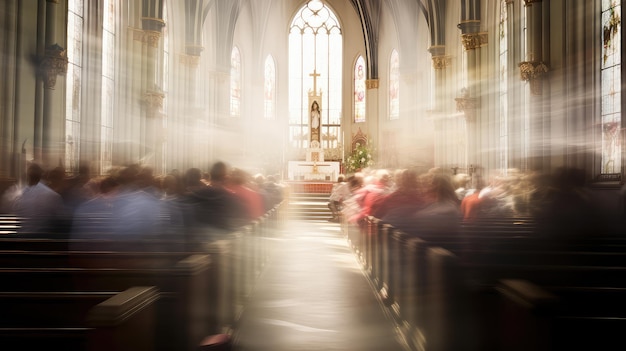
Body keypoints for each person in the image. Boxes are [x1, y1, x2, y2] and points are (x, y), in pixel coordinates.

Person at [13, 163, 66, 234]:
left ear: (28, 176)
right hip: (42, 238)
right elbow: (62, 218)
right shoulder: (51, 195)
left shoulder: (19, 194)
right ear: (41, 175)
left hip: (21, 236)